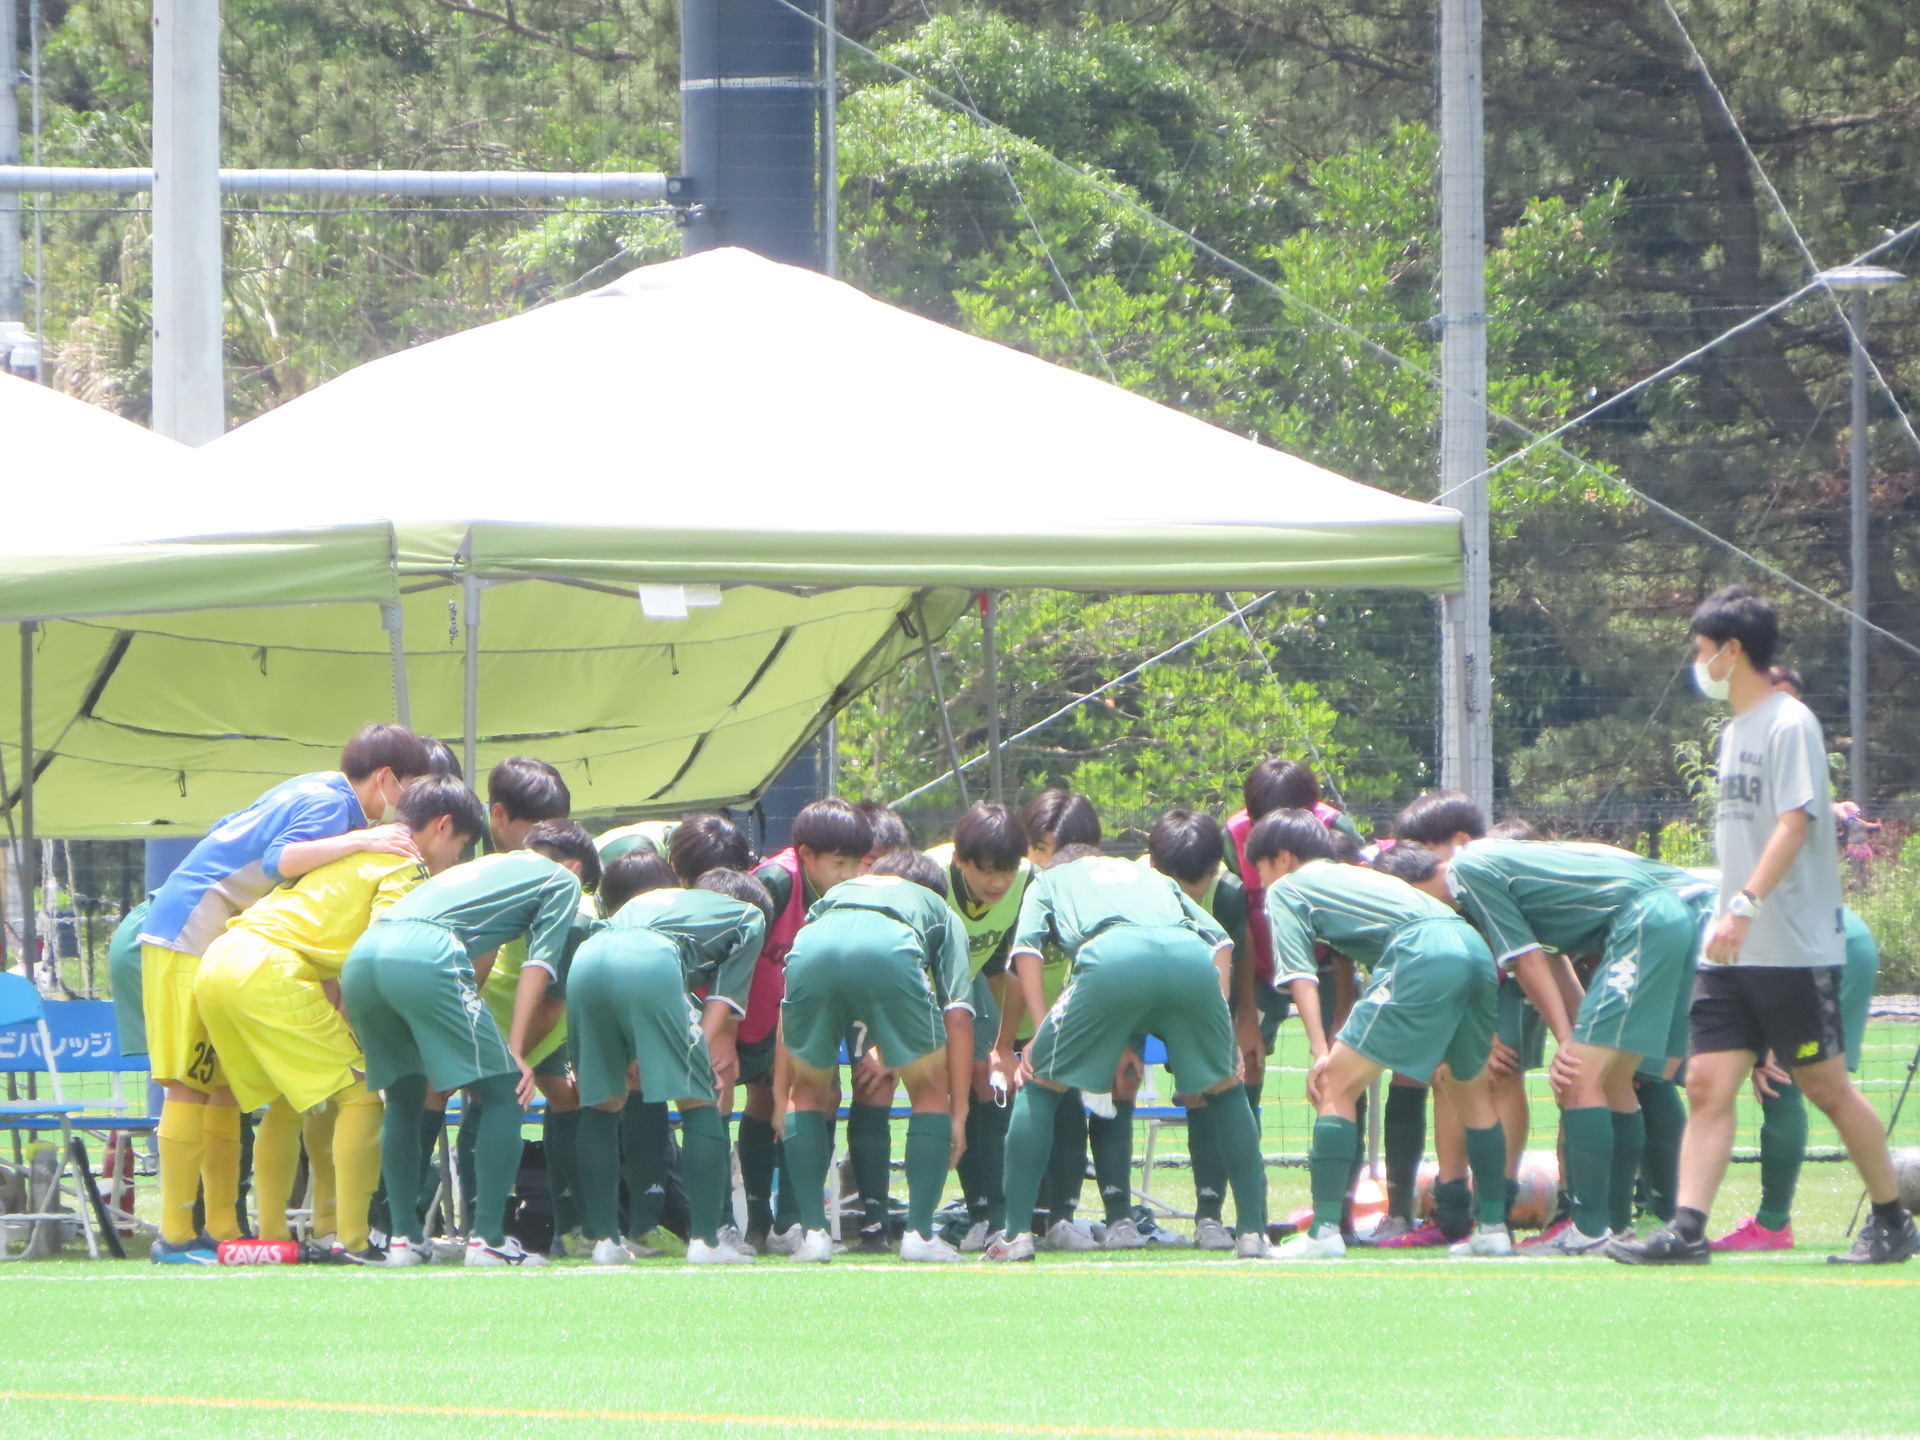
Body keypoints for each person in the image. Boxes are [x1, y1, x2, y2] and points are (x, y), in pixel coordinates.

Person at [1611, 586, 1916, 1265]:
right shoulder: (1733, 730)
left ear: (1732, 650)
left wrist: (1745, 905)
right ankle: (1687, 1229)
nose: (1699, 664)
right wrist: (1729, 918)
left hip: (1790, 949)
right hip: (1730, 950)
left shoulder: (1788, 724)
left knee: (1824, 1088)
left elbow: (1795, 822)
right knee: (1706, 1084)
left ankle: (1894, 1221)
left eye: (1701, 651)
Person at [139, 723, 431, 1262]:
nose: (407, 806)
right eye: (411, 787)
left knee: (222, 1084)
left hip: (222, 938)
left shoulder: (316, 785)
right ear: (387, 778)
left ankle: (225, 1227)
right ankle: (175, 1234)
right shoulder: (333, 804)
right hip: (189, 929)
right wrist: (362, 839)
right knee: (187, 1081)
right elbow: (279, 860)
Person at [193, 776, 484, 1262]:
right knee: (362, 1095)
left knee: (286, 1102)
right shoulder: (404, 867)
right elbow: (379, 952)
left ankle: (275, 1239)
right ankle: (353, 1241)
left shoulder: (354, 849)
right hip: (269, 968)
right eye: (460, 846)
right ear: (442, 825)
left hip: (220, 961)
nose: (455, 858)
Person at [1421, 829, 1712, 1254]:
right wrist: (1573, 1035)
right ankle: (1613, 1226)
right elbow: (1552, 955)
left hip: (1649, 921)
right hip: (1671, 919)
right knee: (1615, 1081)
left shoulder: (1468, 871)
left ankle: (1588, 1231)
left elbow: (1525, 957)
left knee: (1577, 1080)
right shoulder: (1507, 873)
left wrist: (1566, 1042)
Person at [986, 844, 1270, 1262]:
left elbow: (1025, 951)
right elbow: (1222, 941)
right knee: (1227, 1089)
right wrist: (1219, 1029)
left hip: (1112, 956)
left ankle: (1014, 1236)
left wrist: (1043, 1032)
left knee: (1039, 1084)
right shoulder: (1154, 877)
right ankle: (1253, 1234)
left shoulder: (1048, 879)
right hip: (1192, 960)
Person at [341, 819, 599, 1267]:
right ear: (577, 867)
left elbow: (479, 953)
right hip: (425, 952)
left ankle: (401, 1240)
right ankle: (488, 1240)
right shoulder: (562, 881)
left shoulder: (492, 866)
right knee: (504, 1090)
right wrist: (515, 1052)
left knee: (405, 1094)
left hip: (364, 955)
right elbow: (540, 966)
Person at [1251, 814, 1510, 1259]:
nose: (1257, 881)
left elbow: (1300, 973)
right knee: (1473, 1093)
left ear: (1282, 859)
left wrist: (1319, 1051)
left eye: (1258, 868)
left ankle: (1325, 1232)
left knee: (1335, 1084)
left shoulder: (1286, 889)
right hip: (1471, 947)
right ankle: (1493, 1228)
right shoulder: (1354, 873)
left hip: (1422, 951)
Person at [517, 862, 772, 1266]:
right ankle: (706, 1240)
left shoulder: (657, 901)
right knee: (699, 1096)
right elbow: (720, 1000)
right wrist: (697, 1056)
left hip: (589, 959)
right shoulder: (750, 915)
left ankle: (604, 1241)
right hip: (650, 960)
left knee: (601, 1102)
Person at [779, 850, 975, 1263]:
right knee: (929, 1091)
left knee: (808, 1093)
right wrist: (957, 1114)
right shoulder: (938, 908)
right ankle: (919, 1235)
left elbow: (786, 1009)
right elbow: (957, 1014)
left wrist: (784, 1096)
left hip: (812, 948)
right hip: (890, 951)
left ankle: (814, 1234)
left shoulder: (836, 896)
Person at [1146, 808, 1305, 1251]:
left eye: (1197, 887)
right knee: (1196, 1091)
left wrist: (1245, 1021)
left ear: (1215, 869)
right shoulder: (1138, 888)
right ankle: (1205, 1213)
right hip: (1151, 996)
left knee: (1235, 1081)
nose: (1189, 896)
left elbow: (1242, 960)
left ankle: (1248, 1215)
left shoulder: (1230, 895)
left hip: (1217, 999)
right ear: (1157, 868)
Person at [745, 799, 873, 1251]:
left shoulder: (846, 896)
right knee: (760, 1101)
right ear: (806, 855)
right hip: (744, 1016)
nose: (849, 873)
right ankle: (754, 1222)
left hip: (795, 1016)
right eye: (840, 863)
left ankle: (792, 1222)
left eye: (856, 863)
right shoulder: (775, 882)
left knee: (821, 1097)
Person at [1715, 907, 1881, 1250]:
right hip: (1849, 937)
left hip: (1807, 952)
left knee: (1780, 1079)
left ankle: (1772, 1224)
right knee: (1828, 1085)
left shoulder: (1684, 915)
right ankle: (1891, 1215)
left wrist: (1764, 1044)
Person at [927, 803, 1035, 1251]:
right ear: (959, 861)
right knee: (936, 1088)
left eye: (1005, 870)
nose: (997, 882)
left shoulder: (1029, 881)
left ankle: (992, 1217)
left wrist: (1004, 1046)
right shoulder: (928, 877)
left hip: (968, 984)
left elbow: (1011, 967)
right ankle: (881, 1219)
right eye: (986, 870)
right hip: (915, 987)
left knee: (990, 1081)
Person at [1006, 789, 1107, 1250]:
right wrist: (1002, 1040)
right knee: (999, 1106)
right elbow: (1002, 969)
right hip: (1010, 1024)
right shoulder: (1014, 887)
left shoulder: (1094, 893)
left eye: (1057, 851)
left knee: (1069, 1113)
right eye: (1039, 848)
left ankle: (1062, 1217)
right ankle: (995, 1216)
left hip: (1063, 1024)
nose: (1047, 862)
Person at [842, 801, 917, 1251]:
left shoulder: (916, 898)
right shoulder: (828, 895)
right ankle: (860, 1217)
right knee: (836, 1088)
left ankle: (886, 1218)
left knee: (890, 1082)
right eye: (870, 864)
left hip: (902, 995)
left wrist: (890, 1045)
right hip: (833, 993)